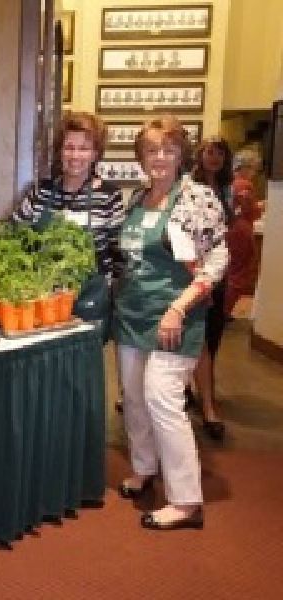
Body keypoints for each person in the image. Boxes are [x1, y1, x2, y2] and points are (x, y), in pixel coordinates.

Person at [113, 115, 228, 530]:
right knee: (134, 399)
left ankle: (186, 500)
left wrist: (178, 307)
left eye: (168, 149)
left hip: (175, 318)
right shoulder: (136, 199)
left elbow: (216, 259)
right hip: (132, 315)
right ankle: (144, 468)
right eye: (151, 150)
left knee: (162, 399)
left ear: (181, 155)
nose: (159, 157)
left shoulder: (197, 199)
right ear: (141, 157)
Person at [14, 111, 125, 283]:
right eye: (69, 147)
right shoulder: (40, 191)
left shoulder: (109, 196)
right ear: (60, 151)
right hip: (43, 291)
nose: (75, 155)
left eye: (84, 149)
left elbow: (119, 256)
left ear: (95, 154)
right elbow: (14, 233)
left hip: (91, 294)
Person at [189, 136, 234, 440]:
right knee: (197, 335)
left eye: (220, 153)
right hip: (192, 270)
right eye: (209, 152)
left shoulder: (228, 189)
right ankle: (206, 404)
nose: (214, 158)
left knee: (211, 336)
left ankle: (202, 394)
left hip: (218, 269)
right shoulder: (189, 187)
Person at [224, 177, 261, 315]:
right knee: (238, 274)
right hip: (240, 229)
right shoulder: (243, 185)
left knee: (232, 271)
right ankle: (224, 312)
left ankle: (223, 312)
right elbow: (250, 209)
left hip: (234, 228)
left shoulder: (233, 183)